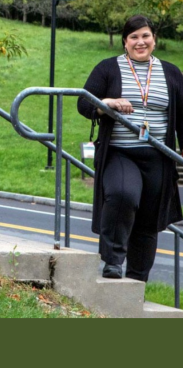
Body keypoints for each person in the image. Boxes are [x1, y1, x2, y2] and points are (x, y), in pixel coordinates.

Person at [77, 14, 183, 282]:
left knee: (148, 220)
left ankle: (137, 280)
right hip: (120, 152)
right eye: (134, 37)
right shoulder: (108, 68)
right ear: (125, 42)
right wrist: (107, 103)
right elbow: (84, 104)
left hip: (158, 156)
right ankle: (113, 261)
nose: (140, 42)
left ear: (154, 40)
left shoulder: (171, 73)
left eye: (145, 36)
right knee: (123, 194)